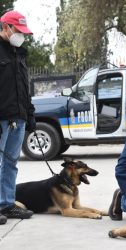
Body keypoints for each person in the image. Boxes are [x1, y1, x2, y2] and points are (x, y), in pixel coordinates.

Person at [0, 10, 36, 225]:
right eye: (18, 30)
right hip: (2, 118)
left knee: (11, 163)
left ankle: (6, 204)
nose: (21, 35)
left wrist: (29, 115)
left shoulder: (19, 53)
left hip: (18, 118)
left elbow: (24, 88)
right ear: (5, 27)